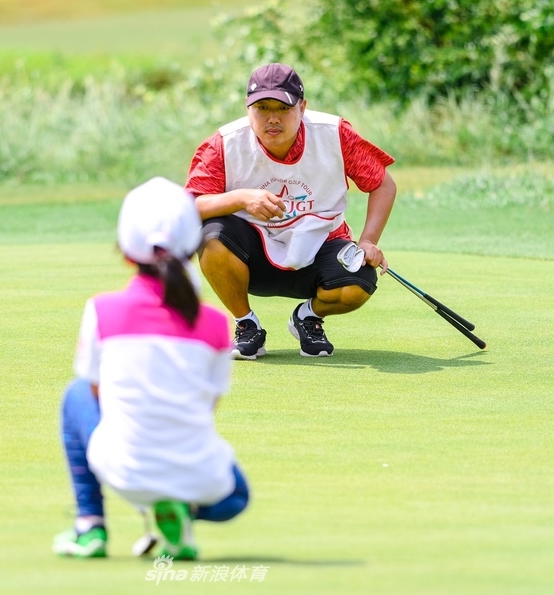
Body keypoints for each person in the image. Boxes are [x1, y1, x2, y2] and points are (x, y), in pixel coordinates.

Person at [53, 177, 250, 561]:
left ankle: (89, 526)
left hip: (124, 472)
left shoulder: (101, 311)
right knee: (236, 496)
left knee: (76, 393)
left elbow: (96, 395)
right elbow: (207, 405)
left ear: (126, 251)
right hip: (198, 475)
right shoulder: (216, 324)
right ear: (192, 245)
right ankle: (179, 508)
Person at [186, 63, 397, 359]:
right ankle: (247, 325)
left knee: (360, 281)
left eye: (284, 108)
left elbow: (383, 184)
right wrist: (241, 198)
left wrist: (368, 241)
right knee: (212, 235)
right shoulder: (225, 143)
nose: (273, 118)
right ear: (248, 108)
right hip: (251, 256)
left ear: (302, 107)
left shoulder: (334, 134)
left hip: (321, 245)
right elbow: (190, 205)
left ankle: (308, 317)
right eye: (262, 108)